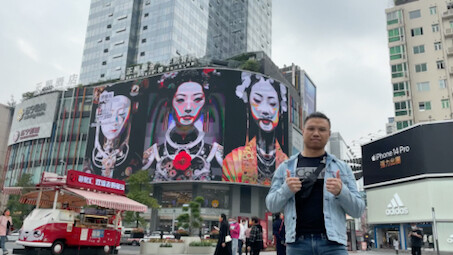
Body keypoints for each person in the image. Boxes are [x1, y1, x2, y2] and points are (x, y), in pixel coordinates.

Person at [266, 112, 365, 255]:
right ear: (303, 131)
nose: (316, 133)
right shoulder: (285, 167)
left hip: (333, 245)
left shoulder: (341, 168)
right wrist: (286, 189)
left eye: (322, 130)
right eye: (311, 129)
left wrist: (341, 192)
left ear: (329, 134)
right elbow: (271, 205)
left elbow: (358, 210)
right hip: (297, 245)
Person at [143, 69, 223, 181]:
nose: (188, 108)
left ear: (204, 102)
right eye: (181, 100)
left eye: (197, 99)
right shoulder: (153, 153)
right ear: (171, 102)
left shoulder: (216, 153)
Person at [223, 72, 288, 185]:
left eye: (272, 103)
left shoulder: (288, 164)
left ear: (281, 109)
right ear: (248, 104)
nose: (265, 110)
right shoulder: (233, 160)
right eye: (257, 101)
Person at [92, 93, 132, 178]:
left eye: (121, 113)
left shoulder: (130, 156)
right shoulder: (92, 159)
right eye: (109, 115)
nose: (114, 120)